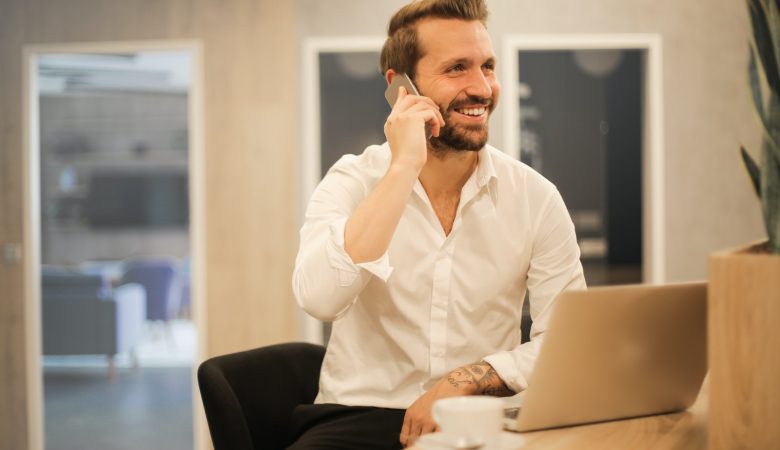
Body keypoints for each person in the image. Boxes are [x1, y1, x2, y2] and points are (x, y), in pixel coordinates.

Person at [290, 0, 586, 448]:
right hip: (359, 418)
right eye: (457, 69)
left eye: (487, 66)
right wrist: (403, 166)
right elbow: (319, 299)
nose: (482, 87)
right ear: (401, 87)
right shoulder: (352, 180)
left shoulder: (535, 197)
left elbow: (566, 343)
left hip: (480, 418)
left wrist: (465, 380)